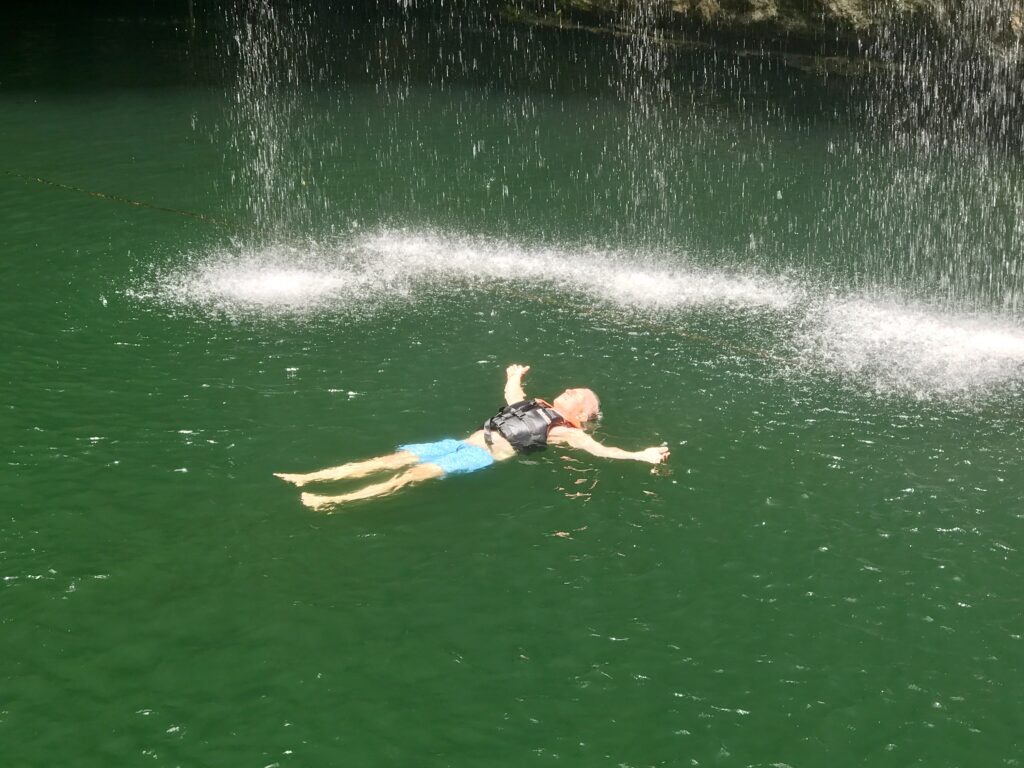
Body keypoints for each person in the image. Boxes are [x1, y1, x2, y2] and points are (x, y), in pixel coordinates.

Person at [275, 364, 670, 511]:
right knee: (390, 460)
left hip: (479, 458)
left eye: (574, 395)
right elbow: (513, 401)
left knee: (409, 477)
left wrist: (641, 455)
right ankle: (309, 478)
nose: (567, 391)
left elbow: (602, 450)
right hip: (462, 443)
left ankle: (332, 501)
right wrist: (514, 376)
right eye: (568, 390)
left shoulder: (566, 433)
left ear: (582, 412)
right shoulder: (537, 404)